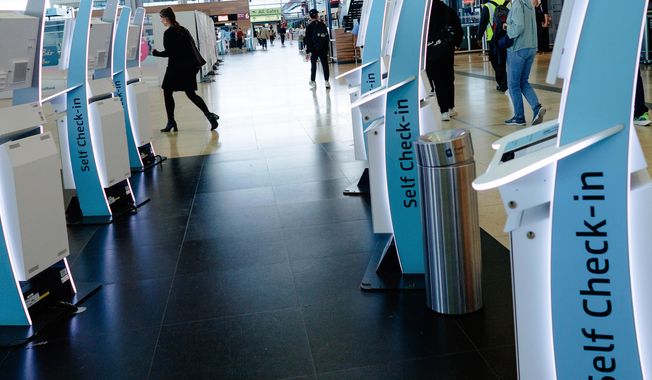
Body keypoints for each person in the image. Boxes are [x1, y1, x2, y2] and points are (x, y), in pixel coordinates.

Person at [152, 7, 218, 132]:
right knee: (191, 94)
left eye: (161, 18)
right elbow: (192, 47)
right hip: (189, 67)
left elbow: (170, 52)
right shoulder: (182, 29)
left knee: (167, 92)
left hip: (176, 68)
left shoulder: (169, 32)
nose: (161, 21)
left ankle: (171, 121)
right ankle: (209, 115)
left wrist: (156, 53)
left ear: (166, 18)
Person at [504, 0, 546, 126]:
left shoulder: (517, 3)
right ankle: (536, 107)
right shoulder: (529, 4)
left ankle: (519, 117)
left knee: (513, 85)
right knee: (523, 82)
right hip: (531, 47)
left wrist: (507, 27)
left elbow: (519, 27)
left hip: (518, 49)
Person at [425, 0, 463, 121]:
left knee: (438, 81)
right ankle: (451, 107)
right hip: (447, 50)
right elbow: (458, 29)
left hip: (431, 51)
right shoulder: (448, 10)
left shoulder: (425, 14)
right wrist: (456, 43)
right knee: (448, 79)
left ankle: (444, 111)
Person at [477, 0, 509, 92]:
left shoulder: (488, 6)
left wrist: (479, 37)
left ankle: (502, 83)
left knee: (496, 62)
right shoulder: (509, 4)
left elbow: (483, 23)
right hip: (507, 37)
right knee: (505, 61)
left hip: (493, 39)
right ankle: (505, 81)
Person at [305, 9, 331, 89]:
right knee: (325, 65)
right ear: (317, 15)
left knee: (313, 65)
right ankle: (326, 82)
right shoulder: (322, 25)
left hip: (314, 49)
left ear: (310, 16)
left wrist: (308, 51)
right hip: (323, 49)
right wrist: (326, 48)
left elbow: (308, 40)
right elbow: (327, 37)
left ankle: (313, 81)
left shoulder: (309, 27)